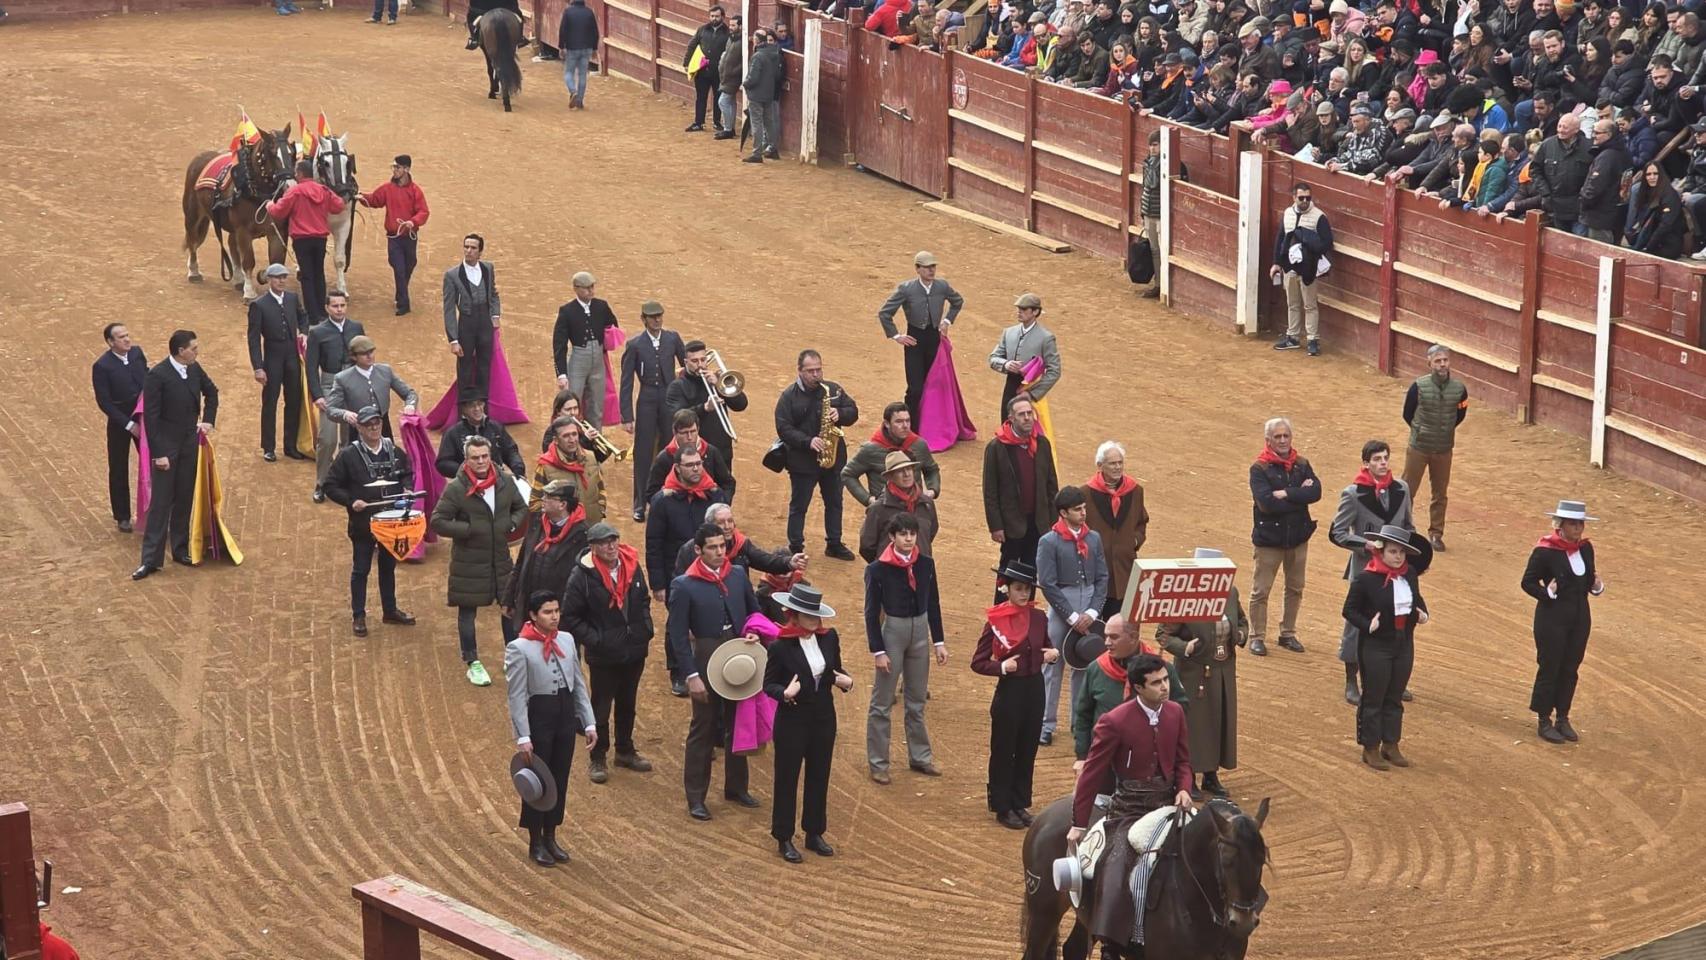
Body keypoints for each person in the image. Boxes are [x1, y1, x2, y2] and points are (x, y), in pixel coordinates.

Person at [1067, 654, 1194, 957]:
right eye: (1157, 683)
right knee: (1116, 864)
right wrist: (1078, 824)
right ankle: (1111, 942)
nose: (1165, 687)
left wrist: (1185, 790)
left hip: (1168, 806)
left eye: (1166, 679)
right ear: (1138, 687)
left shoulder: (1175, 712)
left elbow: (1184, 762)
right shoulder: (1114, 721)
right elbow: (1092, 775)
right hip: (1129, 810)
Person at [668, 523, 763, 820]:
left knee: (739, 721)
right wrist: (691, 676)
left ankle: (736, 787)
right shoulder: (684, 585)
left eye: (723, 546)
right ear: (698, 550)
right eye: (712, 547)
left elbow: (754, 611)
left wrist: (753, 632)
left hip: (737, 654)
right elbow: (678, 635)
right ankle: (696, 796)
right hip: (706, 657)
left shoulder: (736, 574)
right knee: (704, 728)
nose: (720, 552)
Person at [504, 590, 597, 867]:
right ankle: (535, 841)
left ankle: (551, 835)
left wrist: (589, 721)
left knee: (559, 778)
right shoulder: (518, 648)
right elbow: (517, 695)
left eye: (556, 611)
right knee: (538, 780)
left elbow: (578, 683)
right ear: (533, 616)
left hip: (565, 714)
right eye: (547, 612)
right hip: (539, 716)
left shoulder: (567, 639)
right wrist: (522, 735)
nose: (554, 616)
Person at [765, 584, 853, 862]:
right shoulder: (780, 646)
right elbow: (769, 684)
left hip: (823, 716)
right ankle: (784, 837)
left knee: (819, 774)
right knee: (787, 778)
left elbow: (836, 670)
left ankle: (814, 832)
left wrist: (846, 682)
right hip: (792, 718)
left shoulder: (829, 638)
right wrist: (784, 693)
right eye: (807, 614)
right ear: (795, 614)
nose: (814, 620)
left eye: (816, 614)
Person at [431, 435, 527, 687]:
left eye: (484, 456)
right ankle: (472, 661)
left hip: (500, 558)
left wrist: (511, 523)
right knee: (467, 610)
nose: (481, 461)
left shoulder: (505, 482)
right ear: (467, 460)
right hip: (468, 561)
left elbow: (521, 508)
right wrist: (469, 529)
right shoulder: (456, 488)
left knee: (509, 608)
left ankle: (513, 658)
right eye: (475, 458)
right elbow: (438, 521)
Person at [563, 521, 655, 783]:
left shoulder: (632, 566)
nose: (611, 545)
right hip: (604, 654)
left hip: (634, 648)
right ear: (593, 547)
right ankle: (598, 757)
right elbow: (571, 616)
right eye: (604, 542)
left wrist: (644, 628)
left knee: (628, 703)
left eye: (614, 539)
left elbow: (644, 600)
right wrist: (597, 640)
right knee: (601, 707)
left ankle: (624, 750)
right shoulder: (581, 576)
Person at [969, 560, 1057, 829]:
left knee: (1027, 747)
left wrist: (1050, 655)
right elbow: (978, 662)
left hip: (1034, 688)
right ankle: (1002, 805)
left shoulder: (1039, 617)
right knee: (1004, 748)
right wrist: (1001, 667)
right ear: (1006, 589)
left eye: (1028, 589)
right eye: (1019, 589)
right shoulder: (995, 621)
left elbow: (1046, 647)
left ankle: (1020, 802)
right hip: (1010, 690)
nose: (1024, 594)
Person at [861, 512, 946, 783]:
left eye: (911, 533)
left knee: (917, 699)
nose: (909, 538)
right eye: (903, 534)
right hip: (893, 634)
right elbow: (871, 612)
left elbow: (933, 603)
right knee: (882, 701)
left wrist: (939, 641)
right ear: (892, 537)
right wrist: (878, 650)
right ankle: (878, 763)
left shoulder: (926, 564)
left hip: (920, 631)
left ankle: (920, 757)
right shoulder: (877, 569)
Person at [1329, 440, 1415, 704]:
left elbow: (1409, 527)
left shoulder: (1402, 489)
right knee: (1357, 625)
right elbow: (1337, 533)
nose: (1383, 463)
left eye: (1386, 458)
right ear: (1366, 463)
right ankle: (1351, 680)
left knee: (1397, 620)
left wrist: (1405, 551)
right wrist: (1364, 545)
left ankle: (1394, 679)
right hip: (1366, 570)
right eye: (1377, 459)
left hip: (1397, 570)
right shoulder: (1353, 494)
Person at [321, 406, 418, 636]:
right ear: (359, 428)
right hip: (363, 523)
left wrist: (407, 488)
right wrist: (351, 500)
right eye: (368, 424)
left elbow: (407, 473)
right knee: (361, 569)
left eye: (377, 423)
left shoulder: (394, 451)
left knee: (388, 567)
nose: (374, 428)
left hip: (390, 522)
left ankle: (390, 610)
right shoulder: (348, 455)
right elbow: (330, 485)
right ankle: (359, 615)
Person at [1156, 547, 1245, 798]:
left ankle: (1211, 775)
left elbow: (1241, 621)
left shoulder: (1230, 593)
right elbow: (1163, 634)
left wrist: (1240, 635)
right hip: (1194, 672)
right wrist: (1185, 647)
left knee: (1219, 722)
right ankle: (1188, 776)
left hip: (1223, 670)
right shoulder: (1184, 596)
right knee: (1194, 726)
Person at [133, 330, 219, 581]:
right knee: (161, 503)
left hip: (189, 444)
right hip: (167, 447)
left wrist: (208, 421)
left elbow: (212, 392)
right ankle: (150, 559)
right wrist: (159, 454)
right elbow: (151, 417)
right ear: (180, 351)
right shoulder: (157, 375)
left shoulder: (193, 368)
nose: (197, 351)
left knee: (184, 496)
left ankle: (180, 550)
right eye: (194, 348)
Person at [1342, 524, 1428, 770]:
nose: (1398, 556)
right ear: (1380, 551)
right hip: (1376, 645)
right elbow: (1349, 610)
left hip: (1403, 643)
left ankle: (1391, 744)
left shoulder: (1409, 573)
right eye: (1393, 551)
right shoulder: (1366, 578)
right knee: (1374, 697)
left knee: (1394, 695)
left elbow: (1417, 598)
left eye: (1401, 552)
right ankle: (1370, 748)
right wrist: (1367, 624)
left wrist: (1423, 613)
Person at [1522, 500, 1604, 744]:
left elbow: (1589, 580)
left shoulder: (1586, 549)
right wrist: (1546, 593)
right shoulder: (1545, 551)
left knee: (1570, 668)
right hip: (1551, 619)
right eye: (1573, 523)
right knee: (1550, 667)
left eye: (1580, 523)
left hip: (1579, 618)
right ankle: (1544, 720)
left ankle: (1563, 718)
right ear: (1560, 525)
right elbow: (1527, 582)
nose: (1578, 528)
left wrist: (1597, 586)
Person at [1036, 486, 1108, 747]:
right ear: (1063, 513)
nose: (1083, 512)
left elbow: (1102, 578)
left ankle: (1079, 723)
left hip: (1087, 603)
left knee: (1083, 664)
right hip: (1062, 607)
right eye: (1078, 509)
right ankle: (1046, 723)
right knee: (1053, 665)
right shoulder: (1049, 541)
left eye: (1084, 507)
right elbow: (1047, 583)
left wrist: (1091, 611)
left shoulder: (1094, 538)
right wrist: (1070, 615)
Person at [774, 349, 860, 558]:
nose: (816, 375)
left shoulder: (832, 390)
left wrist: (840, 413)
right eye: (810, 371)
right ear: (800, 371)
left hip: (833, 458)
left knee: (835, 502)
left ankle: (834, 543)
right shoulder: (789, 396)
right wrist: (808, 441)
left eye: (818, 370)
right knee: (799, 505)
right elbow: (784, 428)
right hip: (803, 461)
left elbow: (853, 412)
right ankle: (795, 546)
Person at [1247, 417, 1321, 656]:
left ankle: (1287, 633)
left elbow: (1316, 491)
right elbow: (1267, 504)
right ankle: (1256, 636)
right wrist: (1299, 496)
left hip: (1297, 538)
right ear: (1268, 440)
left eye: (1285, 436)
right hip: (1270, 540)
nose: (1282, 440)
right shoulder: (1259, 469)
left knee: (1295, 588)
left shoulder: (1301, 463)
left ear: (1291, 438)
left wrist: (1285, 493)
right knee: (1261, 591)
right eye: (1277, 437)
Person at [877, 251, 965, 431]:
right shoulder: (906, 289)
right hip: (914, 341)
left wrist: (947, 321)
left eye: (933, 266)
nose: (931, 270)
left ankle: (934, 426)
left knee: (934, 386)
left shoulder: (942, 286)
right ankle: (910, 427)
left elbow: (958, 301)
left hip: (934, 339)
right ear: (917, 269)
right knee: (915, 388)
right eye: (926, 267)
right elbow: (885, 313)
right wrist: (896, 336)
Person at [982, 396, 1060, 599]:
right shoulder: (997, 447)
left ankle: (1026, 614)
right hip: (1011, 524)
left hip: (1038, 521)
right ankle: (1000, 614)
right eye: (1022, 414)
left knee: (1031, 570)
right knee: (1007, 570)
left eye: (1029, 413)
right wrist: (996, 526)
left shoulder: (1042, 444)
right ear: (1011, 418)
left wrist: (1053, 520)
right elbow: (990, 491)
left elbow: (1051, 485)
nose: (1027, 418)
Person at [619, 300, 687, 521]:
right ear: (644, 319)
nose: (657, 319)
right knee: (643, 452)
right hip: (647, 400)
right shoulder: (635, 345)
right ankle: (640, 504)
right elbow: (627, 382)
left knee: (671, 449)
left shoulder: (672, 338)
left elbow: (687, 365)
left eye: (660, 315)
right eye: (652, 316)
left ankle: (671, 497)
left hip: (669, 399)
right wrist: (627, 416)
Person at [1400, 343, 1468, 553]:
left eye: (1445, 360)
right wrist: (1420, 431)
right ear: (1429, 363)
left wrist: (1444, 431)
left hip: (1443, 449)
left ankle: (1436, 534)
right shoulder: (1418, 386)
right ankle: (1403, 529)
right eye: (1438, 361)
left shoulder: (1459, 389)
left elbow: (1460, 415)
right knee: (1406, 490)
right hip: (1419, 447)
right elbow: (1407, 413)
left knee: (1440, 493)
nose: (1442, 364)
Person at [504, 479, 590, 639]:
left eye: (548, 497)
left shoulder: (582, 535)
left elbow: (584, 582)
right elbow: (521, 562)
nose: (543, 499)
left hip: (560, 617)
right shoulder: (536, 522)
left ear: (562, 505)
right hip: (530, 610)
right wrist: (509, 599)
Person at [648, 446, 730, 605]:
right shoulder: (662, 501)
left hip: (712, 574)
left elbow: (727, 536)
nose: (696, 469)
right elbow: (654, 544)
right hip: (677, 575)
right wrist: (658, 584)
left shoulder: (714, 495)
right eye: (690, 465)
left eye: (699, 464)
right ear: (677, 468)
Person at [265, 159, 345, 323]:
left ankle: (313, 315)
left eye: (296, 172)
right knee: (318, 274)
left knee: (307, 276)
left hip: (302, 239)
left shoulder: (295, 192)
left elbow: (279, 212)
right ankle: (323, 312)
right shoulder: (323, 190)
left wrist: (270, 206)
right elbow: (339, 205)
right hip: (320, 239)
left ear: (300, 174)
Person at [305, 292, 366, 502]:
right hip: (329, 384)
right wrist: (317, 395)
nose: (339, 309)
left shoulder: (356, 328)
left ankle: (343, 481)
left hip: (352, 382)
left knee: (350, 438)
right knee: (327, 438)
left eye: (342, 305)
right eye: (335, 306)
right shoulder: (317, 333)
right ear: (327, 308)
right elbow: (311, 367)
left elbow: (364, 357)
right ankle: (321, 482)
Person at [246, 263, 310, 463]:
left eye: (284, 277)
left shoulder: (292, 298)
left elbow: (303, 317)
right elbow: (254, 338)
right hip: (272, 358)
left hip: (292, 356)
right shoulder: (259, 304)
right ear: (269, 280)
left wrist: (305, 332)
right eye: (277, 277)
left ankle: (290, 446)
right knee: (270, 402)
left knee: (293, 401)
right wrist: (258, 367)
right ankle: (269, 447)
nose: (282, 280)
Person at [356, 155, 430, 316]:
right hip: (393, 237)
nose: (395, 170)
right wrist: (362, 197)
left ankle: (400, 293)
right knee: (399, 268)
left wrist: (413, 221)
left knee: (409, 264)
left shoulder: (415, 191)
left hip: (410, 236)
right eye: (394, 167)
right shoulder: (387, 189)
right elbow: (375, 200)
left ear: (407, 169)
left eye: (398, 167)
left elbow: (424, 211)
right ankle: (404, 303)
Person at [1083, 441, 1149, 619]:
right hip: (1097, 571)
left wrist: (1134, 542)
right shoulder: (1085, 494)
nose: (1118, 467)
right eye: (1112, 463)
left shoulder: (1135, 491)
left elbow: (1141, 522)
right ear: (1100, 466)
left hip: (1124, 570)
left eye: (1120, 462)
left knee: (1123, 625)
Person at [92, 322, 146, 533]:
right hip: (119, 422)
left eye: (127, 335)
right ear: (110, 342)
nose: (127, 340)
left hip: (143, 417)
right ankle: (122, 515)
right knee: (118, 467)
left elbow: (147, 379)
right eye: (121, 337)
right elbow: (104, 402)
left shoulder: (137, 354)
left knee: (153, 462)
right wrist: (128, 424)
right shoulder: (102, 366)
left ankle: (154, 509)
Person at [1269, 182, 1334, 356]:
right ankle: (1293, 337)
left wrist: (1310, 246)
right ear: (1294, 198)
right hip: (1289, 267)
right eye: (1301, 198)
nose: (1305, 201)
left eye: (1308, 198)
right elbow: (1280, 238)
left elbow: (1327, 243)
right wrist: (1276, 263)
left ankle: (1313, 339)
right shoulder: (1288, 214)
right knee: (1293, 303)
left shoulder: (1319, 217)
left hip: (1309, 268)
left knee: (1310, 305)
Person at [324, 336, 419, 451]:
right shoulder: (342, 378)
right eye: (364, 353)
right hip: (358, 429)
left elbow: (410, 394)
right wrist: (345, 414)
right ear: (354, 357)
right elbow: (331, 409)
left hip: (383, 426)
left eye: (371, 351)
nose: (369, 356)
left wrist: (410, 405)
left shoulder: (385, 371)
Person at [665, 339, 748, 470]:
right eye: (695, 361)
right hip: (695, 454)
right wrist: (704, 408)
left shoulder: (716, 380)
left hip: (722, 450)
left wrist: (718, 385)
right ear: (686, 363)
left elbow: (741, 405)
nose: (700, 365)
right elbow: (678, 417)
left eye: (703, 360)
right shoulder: (677, 387)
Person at [553, 271, 620, 429]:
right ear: (576, 288)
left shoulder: (601, 306)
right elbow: (559, 344)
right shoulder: (567, 311)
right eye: (586, 288)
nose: (591, 291)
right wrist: (561, 374)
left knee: (597, 405)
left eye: (592, 287)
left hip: (598, 360)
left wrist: (607, 339)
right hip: (578, 360)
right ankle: (571, 437)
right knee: (572, 405)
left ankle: (597, 443)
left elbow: (613, 324)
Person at [442, 233, 503, 404]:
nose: (468, 251)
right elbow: (449, 309)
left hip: (485, 323)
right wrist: (453, 339)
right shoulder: (452, 275)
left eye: (473, 248)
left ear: (480, 252)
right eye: (466, 247)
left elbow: (494, 294)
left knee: (485, 367)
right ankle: (463, 413)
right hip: (466, 325)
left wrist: (495, 315)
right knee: (465, 370)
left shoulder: (488, 268)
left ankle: (484, 412)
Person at [843, 402, 941, 506]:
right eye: (899, 422)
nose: (905, 426)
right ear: (887, 423)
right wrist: (868, 500)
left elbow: (931, 470)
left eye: (907, 421)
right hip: (885, 512)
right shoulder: (871, 450)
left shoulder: (919, 445)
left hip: (916, 509)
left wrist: (932, 490)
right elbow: (848, 474)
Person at [987, 293, 1062, 422]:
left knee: (1029, 430)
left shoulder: (1046, 338)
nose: (1019, 312)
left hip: (1032, 387)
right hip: (1011, 386)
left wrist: (1032, 394)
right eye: (1018, 309)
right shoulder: (1009, 332)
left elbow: (1054, 371)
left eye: (1024, 309)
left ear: (1035, 311)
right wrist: (1006, 364)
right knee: (1006, 423)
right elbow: (993, 358)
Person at [857, 451, 940, 562]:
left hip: (920, 569)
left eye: (909, 469)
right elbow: (867, 546)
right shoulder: (878, 509)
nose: (907, 474)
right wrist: (884, 565)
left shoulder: (926, 503)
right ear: (890, 476)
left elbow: (930, 533)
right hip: (889, 572)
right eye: (900, 471)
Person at [644, 409, 737, 504]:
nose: (689, 437)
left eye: (693, 431)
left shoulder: (711, 452)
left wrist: (722, 505)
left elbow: (728, 483)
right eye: (684, 433)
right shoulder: (665, 457)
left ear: (698, 429)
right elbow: (651, 493)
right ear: (674, 432)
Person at [531, 416, 607, 524]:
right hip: (564, 535)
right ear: (556, 440)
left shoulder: (590, 458)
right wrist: (555, 523)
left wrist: (600, 510)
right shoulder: (545, 466)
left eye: (574, 434)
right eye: (566, 436)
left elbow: (600, 489)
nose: (572, 440)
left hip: (592, 527)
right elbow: (535, 502)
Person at [435, 397, 526, 480]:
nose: (477, 409)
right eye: (472, 406)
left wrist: (518, 469)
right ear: (464, 409)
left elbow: (510, 451)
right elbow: (443, 463)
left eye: (479, 404)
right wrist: (467, 471)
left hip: (497, 480)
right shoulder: (453, 433)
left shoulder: (496, 427)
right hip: (467, 484)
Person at [684, 6, 731, 132]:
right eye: (712, 16)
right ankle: (698, 122)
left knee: (718, 97)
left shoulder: (728, 33)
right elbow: (692, 45)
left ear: (723, 17)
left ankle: (717, 122)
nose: (714, 19)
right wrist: (686, 63)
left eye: (716, 16)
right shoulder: (702, 29)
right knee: (701, 97)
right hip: (702, 70)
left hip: (719, 71)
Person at [742, 29, 784, 162]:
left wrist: (745, 84)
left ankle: (757, 154)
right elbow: (777, 75)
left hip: (757, 94)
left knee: (757, 123)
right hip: (769, 93)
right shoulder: (775, 53)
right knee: (769, 122)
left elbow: (753, 78)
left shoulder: (758, 56)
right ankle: (773, 148)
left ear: (757, 40)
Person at [558, 0, 600, 108]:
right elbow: (595, 32)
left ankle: (573, 91)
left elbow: (563, 30)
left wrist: (561, 47)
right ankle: (580, 101)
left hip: (572, 47)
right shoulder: (589, 12)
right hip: (586, 48)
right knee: (582, 75)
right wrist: (594, 48)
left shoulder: (568, 12)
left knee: (568, 73)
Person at [714, 15, 744, 140]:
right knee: (730, 101)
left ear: (741, 26)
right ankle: (730, 129)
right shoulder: (731, 39)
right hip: (726, 75)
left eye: (733, 25)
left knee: (723, 101)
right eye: (730, 25)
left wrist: (734, 71)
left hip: (732, 77)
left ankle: (728, 129)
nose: (730, 27)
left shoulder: (742, 41)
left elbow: (744, 61)